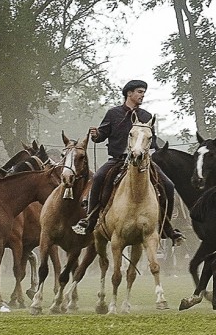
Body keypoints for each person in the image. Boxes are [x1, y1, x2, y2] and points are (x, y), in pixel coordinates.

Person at [72, 80, 183, 244]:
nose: (142, 95)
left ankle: (166, 227)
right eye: (139, 92)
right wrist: (96, 135)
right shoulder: (113, 113)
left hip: (143, 161)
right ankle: (91, 218)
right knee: (98, 178)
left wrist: (160, 149)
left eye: (143, 92)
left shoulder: (146, 116)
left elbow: (151, 140)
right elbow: (101, 135)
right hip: (118, 160)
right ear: (129, 93)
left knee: (169, 185)